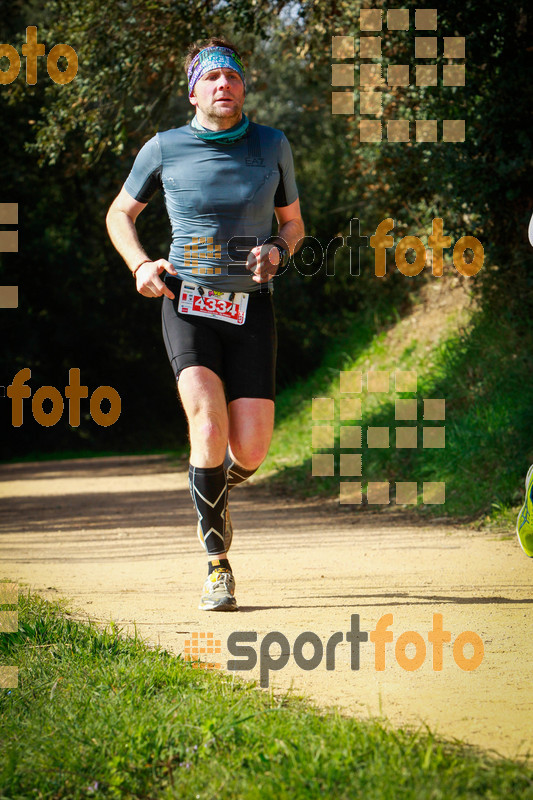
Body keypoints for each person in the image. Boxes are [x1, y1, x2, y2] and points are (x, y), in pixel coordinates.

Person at [106, 37, 305, 609]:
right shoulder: (164, 148)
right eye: (213, 78)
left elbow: (293, 224)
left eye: (233, 77)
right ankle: (218, 566)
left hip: (251, 306)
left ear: (244, 87)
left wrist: (277, 250)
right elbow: (120, 213)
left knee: (253, 449)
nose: (225, 86)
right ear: (193, 90)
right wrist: (141, 264)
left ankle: (209, 483)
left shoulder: (273, 146)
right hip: (186, 299)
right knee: (207, 424)